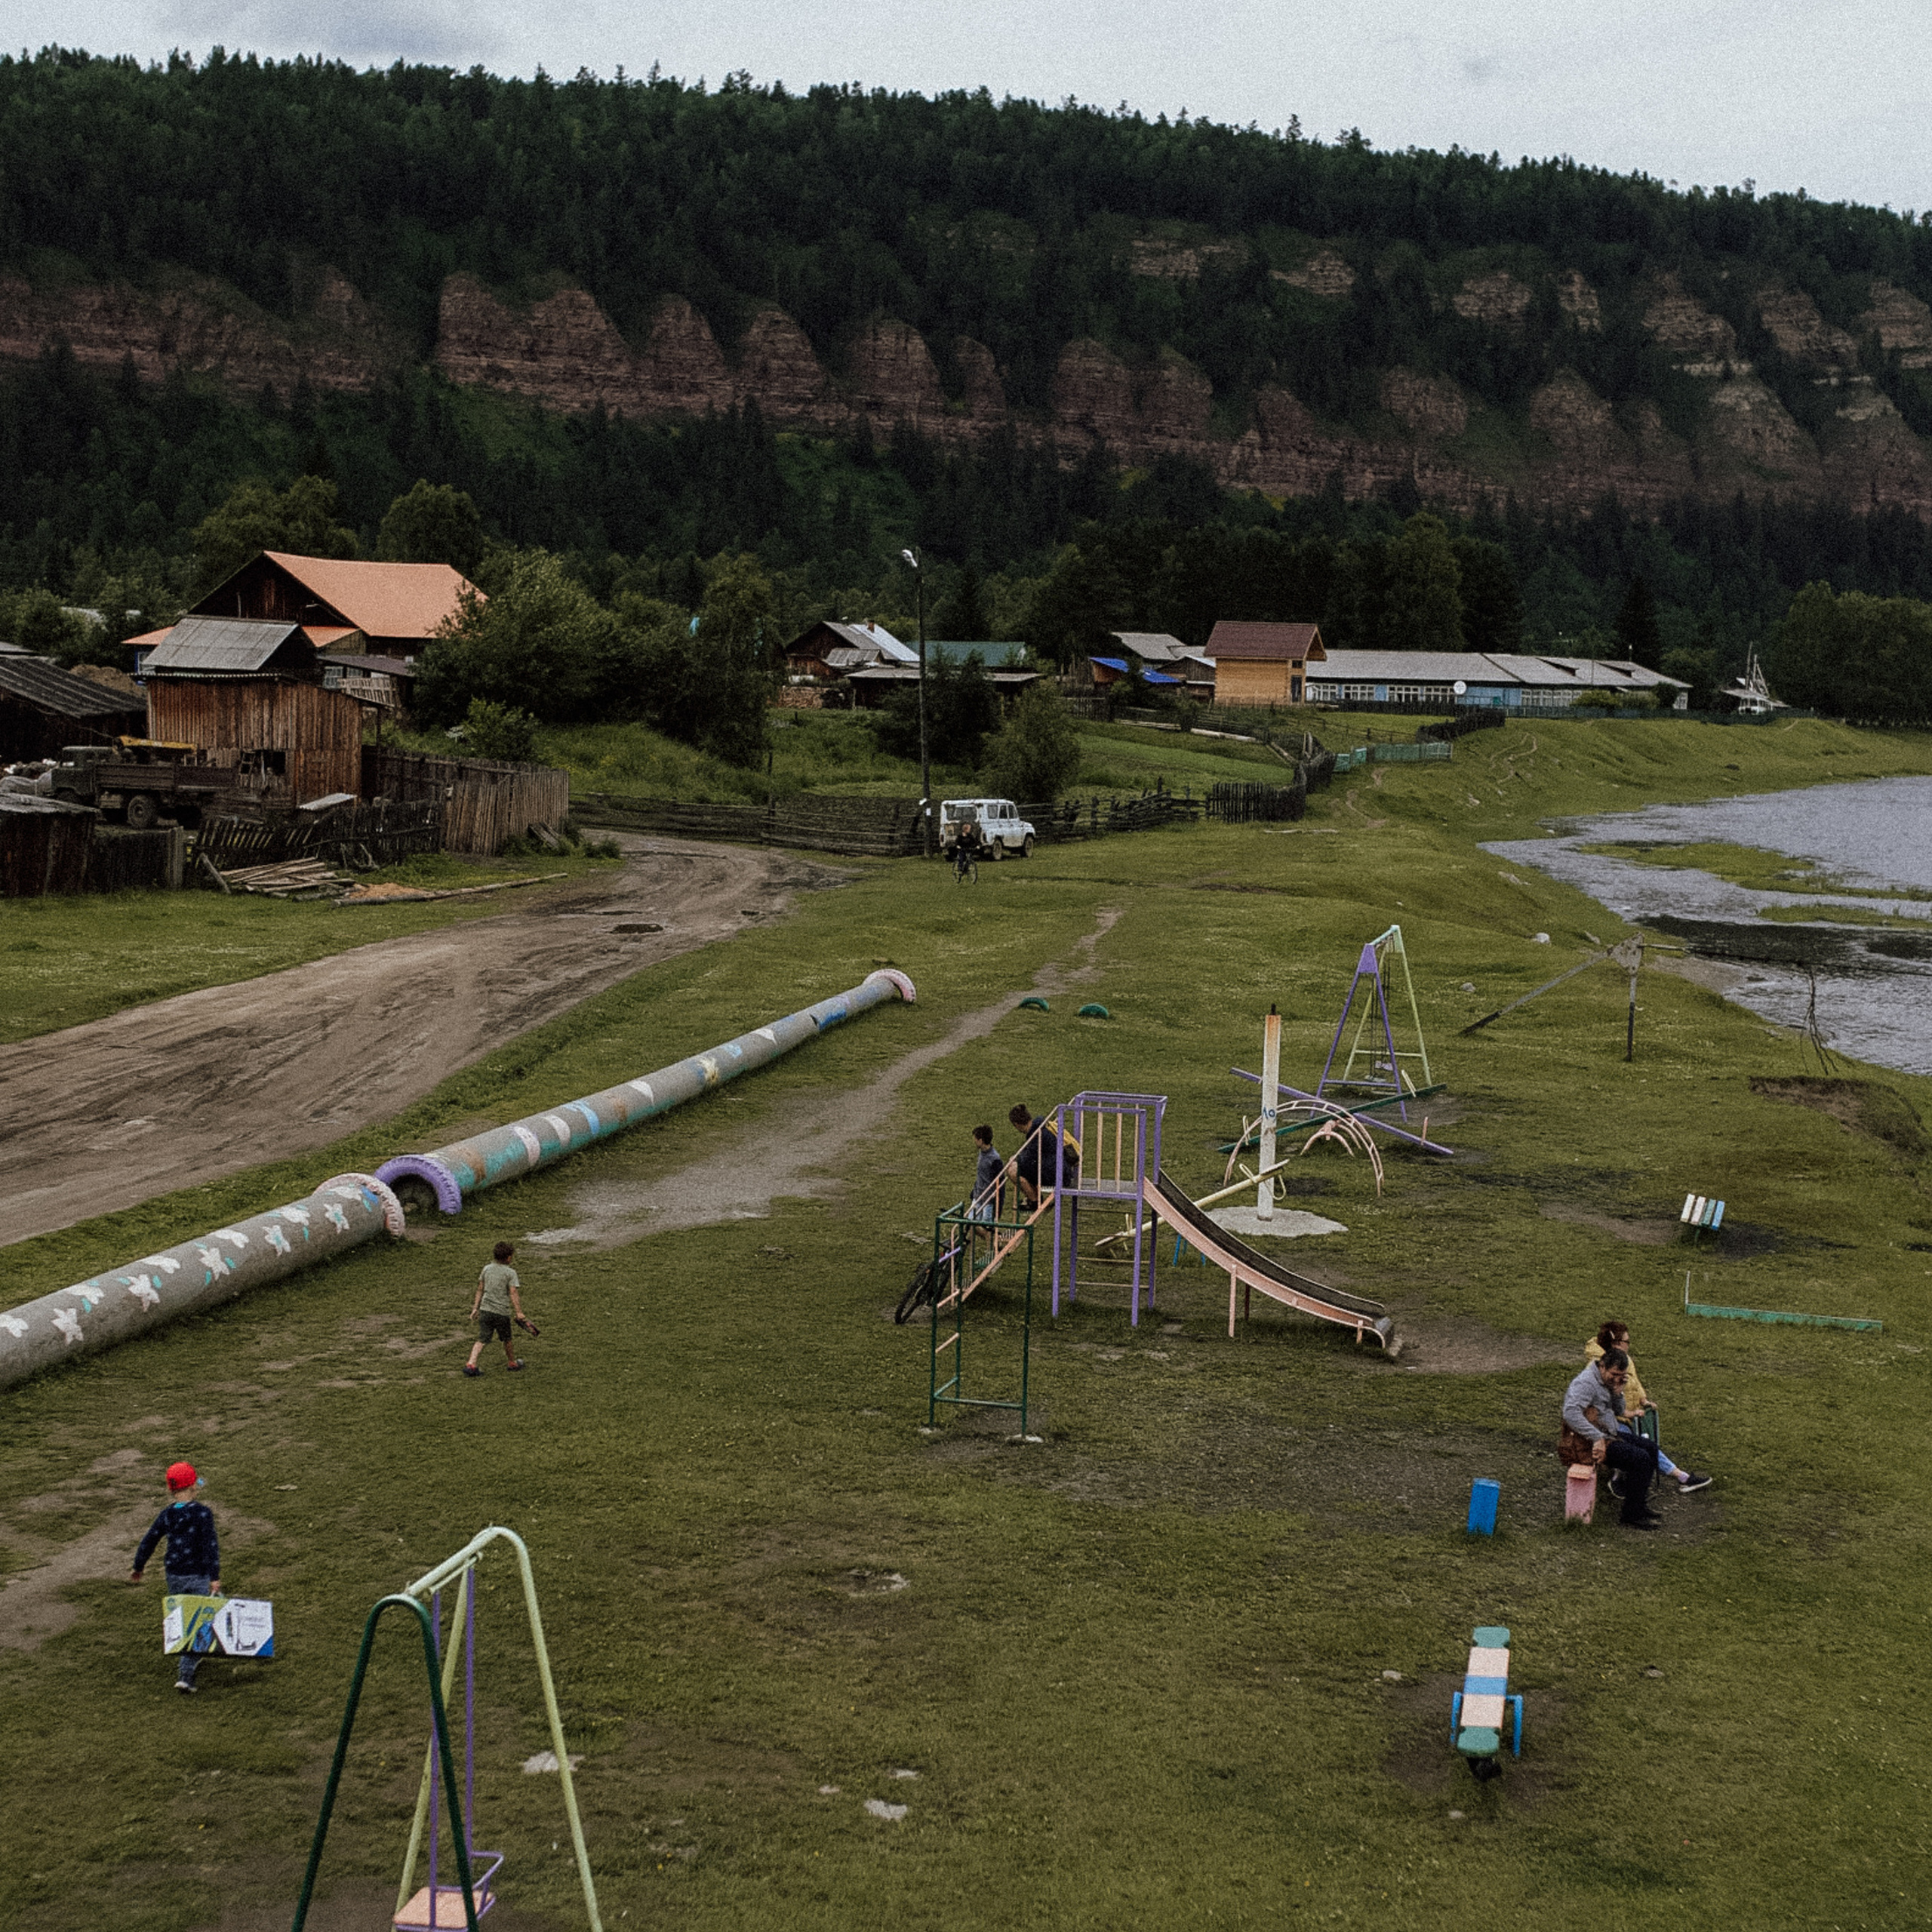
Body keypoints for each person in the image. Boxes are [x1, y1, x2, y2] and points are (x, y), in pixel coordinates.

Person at [1584, 1319, 1712, 1494]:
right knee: (1642, 1449)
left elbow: (1635, 1383)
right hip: (1608, 1423)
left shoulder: (1624, 1360)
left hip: (1625, 1419)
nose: (1629, 1346)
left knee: (1645, 1447)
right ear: (1616, 1344)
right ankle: (1680, 1477)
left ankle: (1620, 1478)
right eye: (1626, 1342)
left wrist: (1643, 1400)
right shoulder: (1601, 1368)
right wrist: (1630, 1413)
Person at [129, 1461, 221, 1694]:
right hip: (197, 1575)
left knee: (182, 1618)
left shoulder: (167, 1515)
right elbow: (210, 1546)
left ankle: (190, 1656)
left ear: (171, 1490)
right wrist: (214, 1577)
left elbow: (149, 1540)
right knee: (199, 1622)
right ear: (193, 1488)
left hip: (174, 1575)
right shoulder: (203, 1514)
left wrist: (138, 1566)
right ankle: (186, 1675)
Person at [1560, 1348, 1663, 1529]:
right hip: (1588, 1442)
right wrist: (1596, 1437)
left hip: (1609, 1433)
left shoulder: (1609, 1382)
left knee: (1651, 1449)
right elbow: (1570, 1413)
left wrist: (1618, 1391)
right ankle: (1631, 1514)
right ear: (1602, 1367)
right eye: (1614, 1374)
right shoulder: (1586, 1383)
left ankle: (1638, 1504)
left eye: (1621, 1376)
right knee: (1641, 1459)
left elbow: (1618, 1410)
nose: (1616, 1379)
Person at [465, 1241, 532, 1377]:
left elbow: (480, 1289)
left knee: (482, 1339)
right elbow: (513, 1292)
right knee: (507, 1338)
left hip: (485, 1310)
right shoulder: (510, 1273)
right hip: (501, 1312)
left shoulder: (487, 1269)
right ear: (508, 1258)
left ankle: (471, 1363)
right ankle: (512, 1363)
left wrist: (475, 1308)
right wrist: (519, 1312)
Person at [1009, 1103, 1080, 1206]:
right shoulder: (1042, 1127)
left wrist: (1016, 1160)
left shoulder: (1036, 1135)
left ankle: (1034, 1201)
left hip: (1057, 1175)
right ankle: (1034, 1198)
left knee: (1013, 1171)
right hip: (1062, 1170)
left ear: (1017, 1124)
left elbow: (1029, 1159)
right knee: (1021, 1167)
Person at [969, 1124, 1004, 1224]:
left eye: (975, 1139)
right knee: (971, 1223)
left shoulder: (995, 1159)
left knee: (986, 1228)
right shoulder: (981, 1153)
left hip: (988, 1201)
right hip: (978, 1196)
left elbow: (1000, 1183)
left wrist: (998, 1206)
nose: (974, 1141)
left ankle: (990, 1240)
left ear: (981, 1140)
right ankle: (971, 1240)